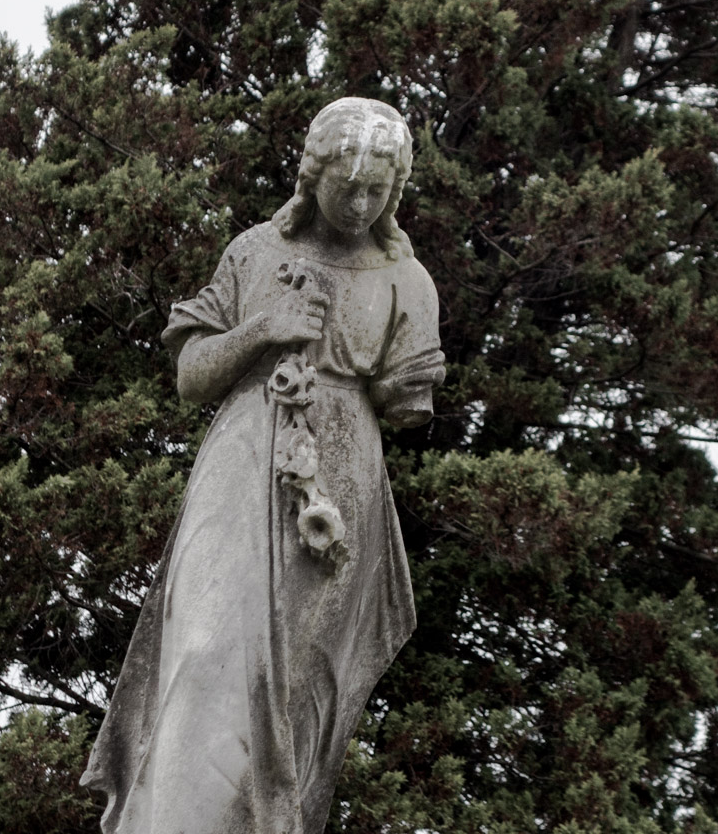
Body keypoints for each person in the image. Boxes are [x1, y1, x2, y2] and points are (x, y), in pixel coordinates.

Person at [81, 97, 446, 834]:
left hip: (340, 487)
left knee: (297, 686)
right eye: (350, 187)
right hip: (242, 457)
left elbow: (406, 400)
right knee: (207, 644)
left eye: (380, 191)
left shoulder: (408, 281)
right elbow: (191, 374)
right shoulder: (254, 252)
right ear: (314, 177)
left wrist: (392, 374)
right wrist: (262, 329)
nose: (363, 203)